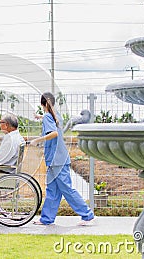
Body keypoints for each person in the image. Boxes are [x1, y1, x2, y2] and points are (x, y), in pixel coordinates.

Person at [30, 92, 94, 226]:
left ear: (43, 104)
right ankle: (46, 219)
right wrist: (41, 117)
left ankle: (87, 215)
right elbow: (53, 121)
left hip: (56, 160)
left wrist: (38, 140)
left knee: (66, 189)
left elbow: (53, 133)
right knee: (52, 190)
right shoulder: (55, 115)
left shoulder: (49, 116)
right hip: (58, 159)